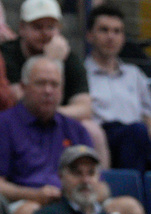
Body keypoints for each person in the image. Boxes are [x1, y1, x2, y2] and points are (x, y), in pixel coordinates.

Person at [1, 0, 107, 167]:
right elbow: (18, 101)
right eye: (37, 27)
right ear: (22, 28)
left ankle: (97, 183)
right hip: (17, 121)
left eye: (50, 27)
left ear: (59, 30)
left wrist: (51, 112)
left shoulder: (70, 59)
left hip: (56, 122)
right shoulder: (7, 53)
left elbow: (85, 108)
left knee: (93, 130)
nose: (45, 33)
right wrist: (50, 61)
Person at [0, 55, 91, 214]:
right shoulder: (4, 125)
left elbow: (100, 184)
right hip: (24, 201)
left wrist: (85, 193)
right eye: (41, 83)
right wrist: (33, 195)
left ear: (62, 90)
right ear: (23, 87)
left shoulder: (76, 129)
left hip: (75, 201)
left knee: (130, 209)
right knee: (34, 213)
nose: (48, 91)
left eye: (54, 84)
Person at [83, 4, 151, 174]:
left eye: (117, 31)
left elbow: (150, 116)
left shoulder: (135, 74)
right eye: (104, 30)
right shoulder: (82, 74)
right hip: (102, 140)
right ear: (89, 35)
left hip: (137, 138)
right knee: (137, 132)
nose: (111, 37)